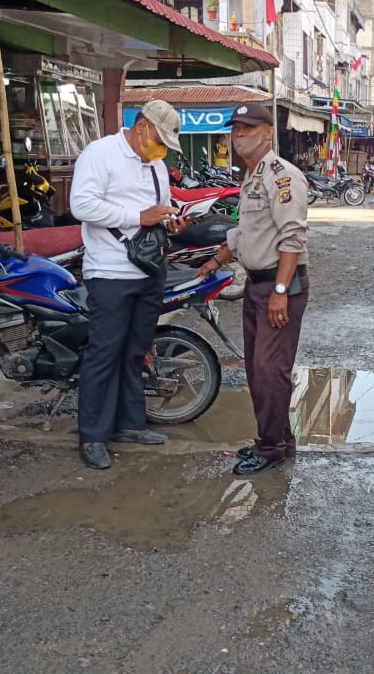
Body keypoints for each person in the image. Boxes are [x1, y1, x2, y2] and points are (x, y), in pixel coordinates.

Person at [69, 100, 188, 470]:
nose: (162, 148)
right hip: (110, 272)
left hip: (149, 270)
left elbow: (162, 206)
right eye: (160, 138)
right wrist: (137, 216)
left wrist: (171, 221)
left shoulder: (156, 165)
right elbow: (82, 205)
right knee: (104, 352)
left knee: (136, 351)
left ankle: (130, 424)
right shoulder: (100, 153)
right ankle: (92, 435)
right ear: (142, 127)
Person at [197, 105, 310, 475]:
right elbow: (245, 234)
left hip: (280, 286)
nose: (239, 134)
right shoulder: (251, 177)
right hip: (258, 285)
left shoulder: (281, 177)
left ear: (267, 133)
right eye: (236, 128)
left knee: (268, 369)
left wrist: (280, 290)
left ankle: (271, 446)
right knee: (260, 369)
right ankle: (278, 438)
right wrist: (216, 261)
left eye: (248, 128)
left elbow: (292, 238)